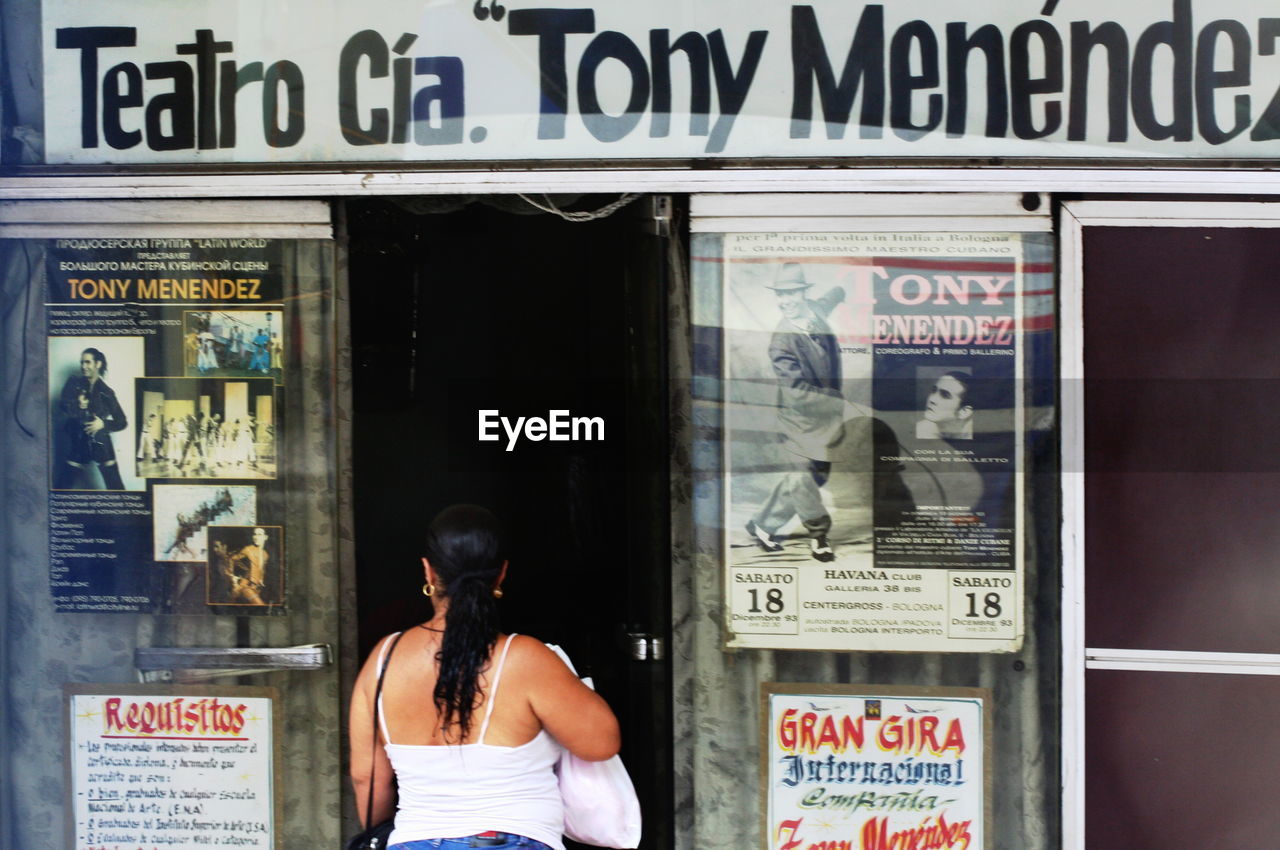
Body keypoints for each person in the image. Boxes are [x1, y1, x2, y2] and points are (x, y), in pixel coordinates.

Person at [349, 505, 620, 850]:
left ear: (429, 572)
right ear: (502, 574)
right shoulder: (526, 659)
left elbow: (366, 777)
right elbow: (601, 744)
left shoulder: (383, 661)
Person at [745, 263, 847, 563]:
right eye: (780, 295)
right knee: (802, 478)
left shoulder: (816, 310)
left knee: (816, 476)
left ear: (804, 293)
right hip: (798, 420)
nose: (785, 301)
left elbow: (830, 298)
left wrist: (843, 288)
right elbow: (795, 392)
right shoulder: (781, 342)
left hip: (826, 421)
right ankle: (819, 537)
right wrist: (836, 399)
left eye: (791, 294)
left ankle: (762, 525)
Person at [54, 347, 127, 490]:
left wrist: (103, 424)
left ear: (97, 364)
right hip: (79, 441)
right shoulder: (73, 382)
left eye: (87, 362)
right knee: (62, 487)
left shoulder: (107, 392)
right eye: (82, 363)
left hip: (101, 443)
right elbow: (62, 405)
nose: (83, 366)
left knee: (117, 489)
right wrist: (78, 405)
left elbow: (122, 422)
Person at [916, 371, 974, 440]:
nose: (932, 399)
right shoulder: (921, 430)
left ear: (964, 412)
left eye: (945, 395)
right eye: (934, 390)